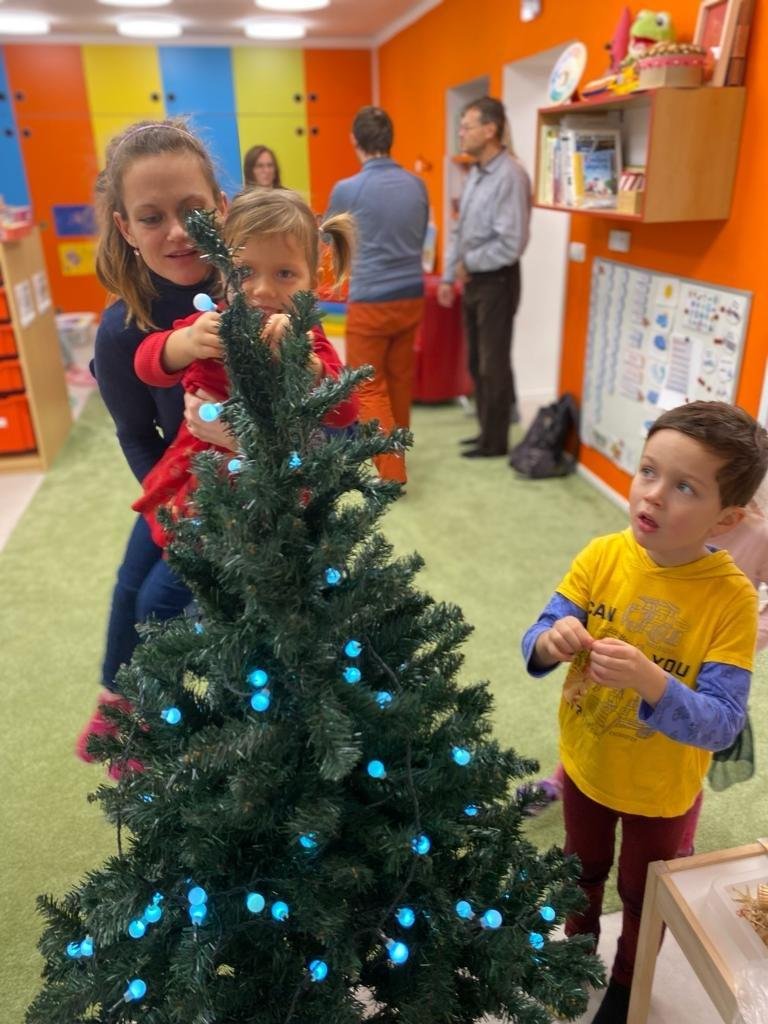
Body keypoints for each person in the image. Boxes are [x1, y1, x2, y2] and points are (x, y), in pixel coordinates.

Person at [520, 400, 768, 1024]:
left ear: (728, 517)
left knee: (642, 893)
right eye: (649, 470)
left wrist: (653, 682)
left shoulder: (732, 600)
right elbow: (541, 630)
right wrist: (550, 641)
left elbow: (722, 723)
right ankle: (576, 958)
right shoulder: (603, 555)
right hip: (587, 763)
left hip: (662, 790)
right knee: (579, 871)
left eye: (685, 487)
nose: (653, 494)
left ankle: (629, 983)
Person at [75, 117, 227, 767]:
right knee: (130, 582)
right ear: (126, 229)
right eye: (152, 217)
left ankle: (151, 713)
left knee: (164, 603)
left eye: (193, 210)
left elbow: (334, 407)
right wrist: (171, 506)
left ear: (222, 208)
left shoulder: (255, 289)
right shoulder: (121, 331)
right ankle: (118, 703)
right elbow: (137, 435)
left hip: (257, 488)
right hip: (181, 481)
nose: (177, 231)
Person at [132, 187, 359, 546]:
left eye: (285, 273)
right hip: (197, 479)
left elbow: (346, 413)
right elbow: (145, 365)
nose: (263, 290)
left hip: (270, 493)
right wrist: (186, 342)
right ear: (223, 271)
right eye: (245, 271)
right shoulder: (216, 323)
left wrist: (307, 365)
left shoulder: (308, 338)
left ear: (312, 281)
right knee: (147, 567)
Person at [325, 106, 428, 485]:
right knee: (400, 378)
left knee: (368, 385)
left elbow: (330, 239)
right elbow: (420, 235)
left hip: (372, 299)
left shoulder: (348, 189)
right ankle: (398, 453)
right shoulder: (417, 185)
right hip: (412, 294)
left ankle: (392, 474)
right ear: (390, 139)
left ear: (355, 140)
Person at [437, 96, 531, 459]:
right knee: (477, 361)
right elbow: (459, 229)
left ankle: (496, 441)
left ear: (490, 129)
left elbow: (512, 243)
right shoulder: (476, 171)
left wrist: (468, 265)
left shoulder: (511, 175)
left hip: (497, 280)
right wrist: (449, 276)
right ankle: (485, 433)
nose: (460, 134)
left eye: (466, 127)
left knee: (494, 363)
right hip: (473, 277)